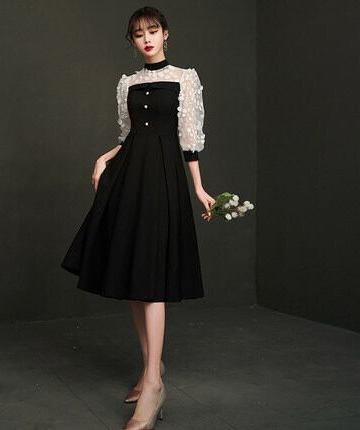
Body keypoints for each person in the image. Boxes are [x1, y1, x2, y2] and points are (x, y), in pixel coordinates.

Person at [60, 6, 215, 429]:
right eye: (138, 34)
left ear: (165, 34)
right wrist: (104, 157)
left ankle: (152, 386)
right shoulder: (127, 83)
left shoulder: (185, 78)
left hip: (162, 179)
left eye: (152, 31)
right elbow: (129, 136)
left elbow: (189, 140)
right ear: (132, 41)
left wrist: (199, 188)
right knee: (133, 279)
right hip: (130, 177)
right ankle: (152, 367)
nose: (146, 39)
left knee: (152, 279)